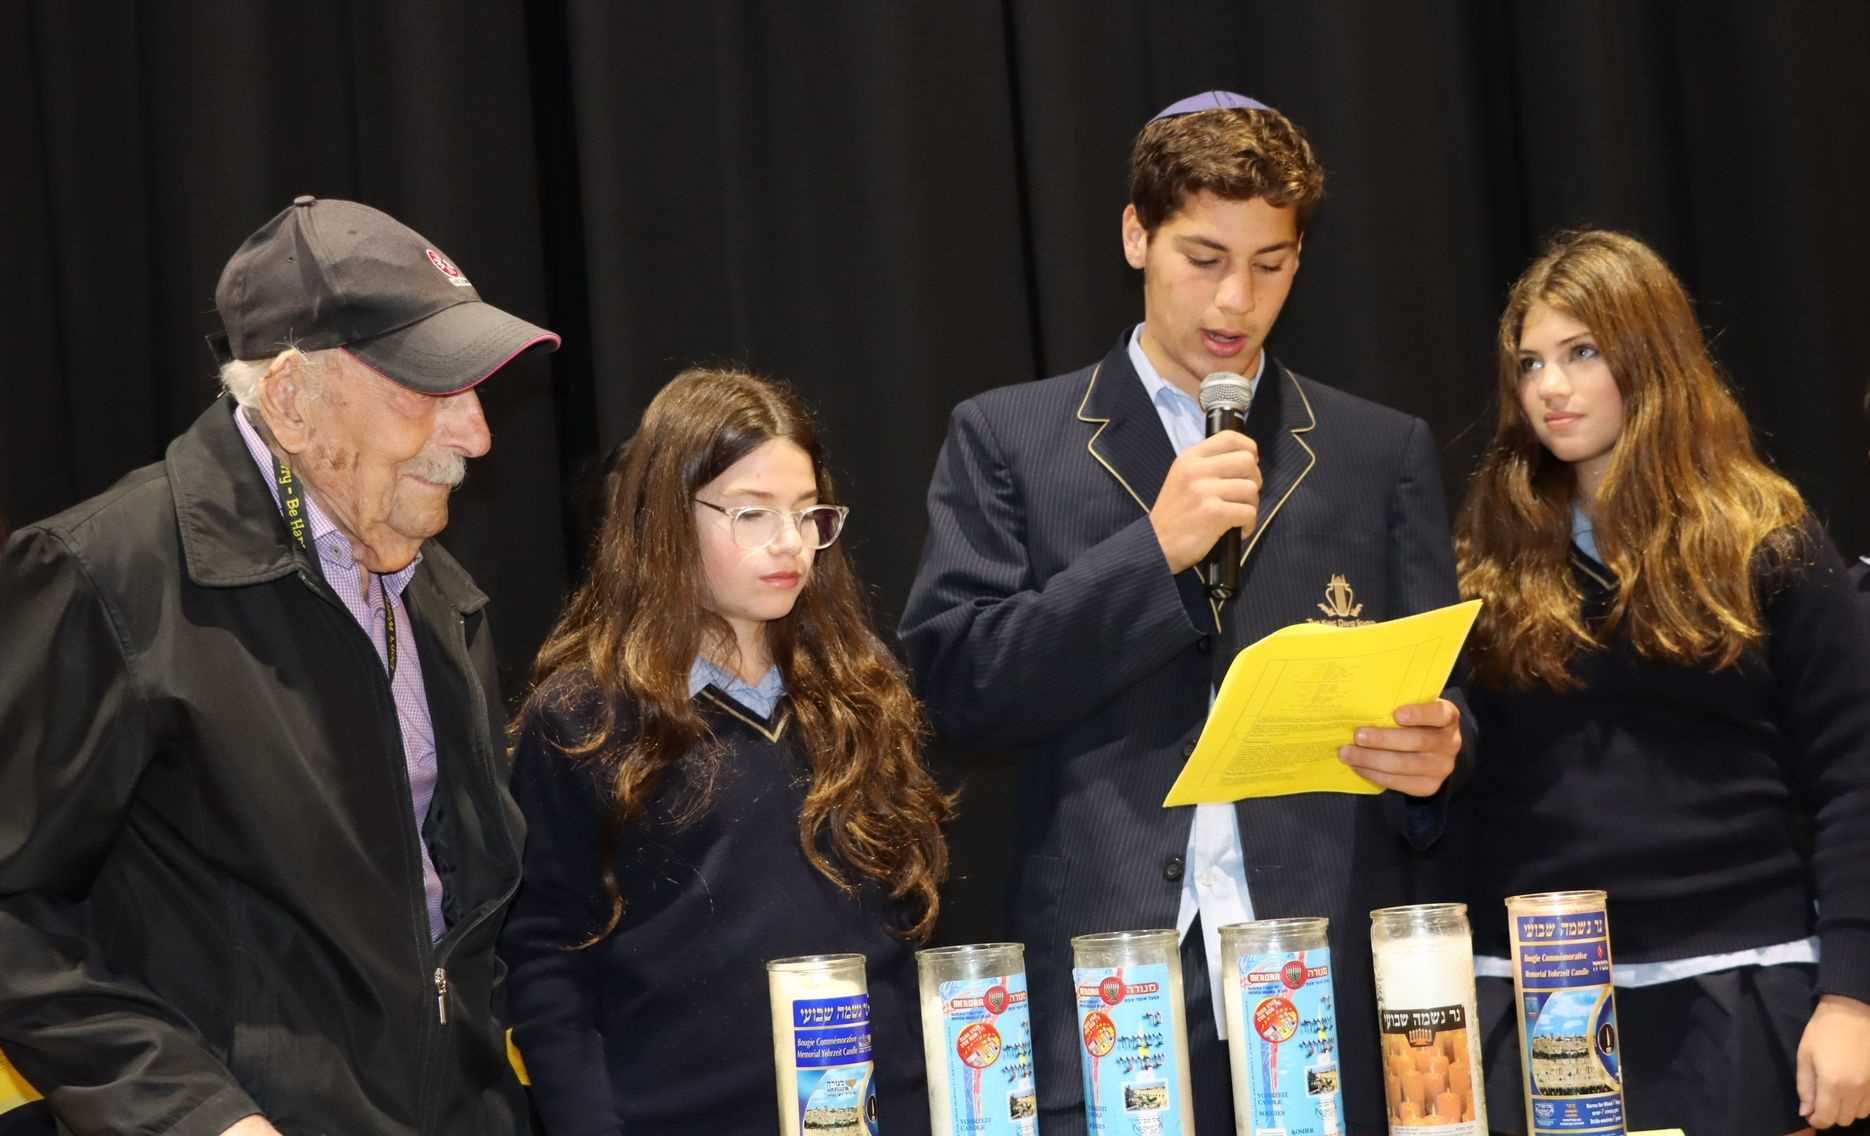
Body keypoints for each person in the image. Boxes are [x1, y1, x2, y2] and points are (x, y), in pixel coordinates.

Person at [898, 91, 1472, 1135]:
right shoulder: (1009, 437)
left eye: (1271, 263)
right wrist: (1150, 551)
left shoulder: (1374, 450)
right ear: (1136, 235)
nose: (1235, 300)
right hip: (1106, 988)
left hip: (1320, 990)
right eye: (1203, 257)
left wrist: (1439, 753)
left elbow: (1443, 698)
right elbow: (957, 689)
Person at [0, 195, 560, 1135]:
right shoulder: (109, 575)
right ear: (294, 400)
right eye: (430, 391)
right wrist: (193, 1117)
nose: (478, 435)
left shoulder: (438, 591)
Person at [1456, 229, 1870, 1134]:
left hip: (1738, 987)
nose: (1550, 388)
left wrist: (1852, 999)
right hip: (1535, 1002)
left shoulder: (1771, 542)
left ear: (1651, 358)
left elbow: (1853, 782)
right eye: (1529, 363)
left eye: (1581, 353)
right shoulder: (1485, 564)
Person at [499, 368, 951, 1134]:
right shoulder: (585, 713)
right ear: (667, 519)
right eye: (751, 514)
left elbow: (901, 925)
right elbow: (545, 963)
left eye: (810, 515)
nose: (790, 544)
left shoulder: (860, 683)